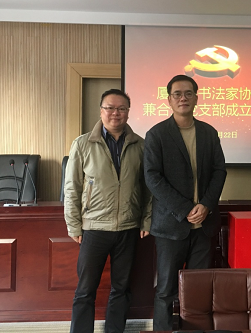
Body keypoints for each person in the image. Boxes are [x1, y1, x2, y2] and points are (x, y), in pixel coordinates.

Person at [64, 88, 152, 333]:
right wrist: (73, 225)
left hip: (128, 227)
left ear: (128, 112)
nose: (116, 113)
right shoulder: (82, 144)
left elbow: (148, 188)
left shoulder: (140, 145)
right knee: (85, 290)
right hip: (94, 227)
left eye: (121, 108)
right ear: (101, 110)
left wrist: (146, 220)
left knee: (121, 289)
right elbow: (72, 188)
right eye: (110, 108)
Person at [144, 74, 227, 330]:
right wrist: (185, 209)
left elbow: (219, 171)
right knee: (165, 290)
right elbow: (152, 177)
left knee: (197, 289)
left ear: (196, 98)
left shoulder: (208, 132)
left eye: (188, 93)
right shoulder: (157, 134)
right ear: (169, 100)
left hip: (203, 226)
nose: (183, 98)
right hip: (170, 227)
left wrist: (206, 204)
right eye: (177, 94)